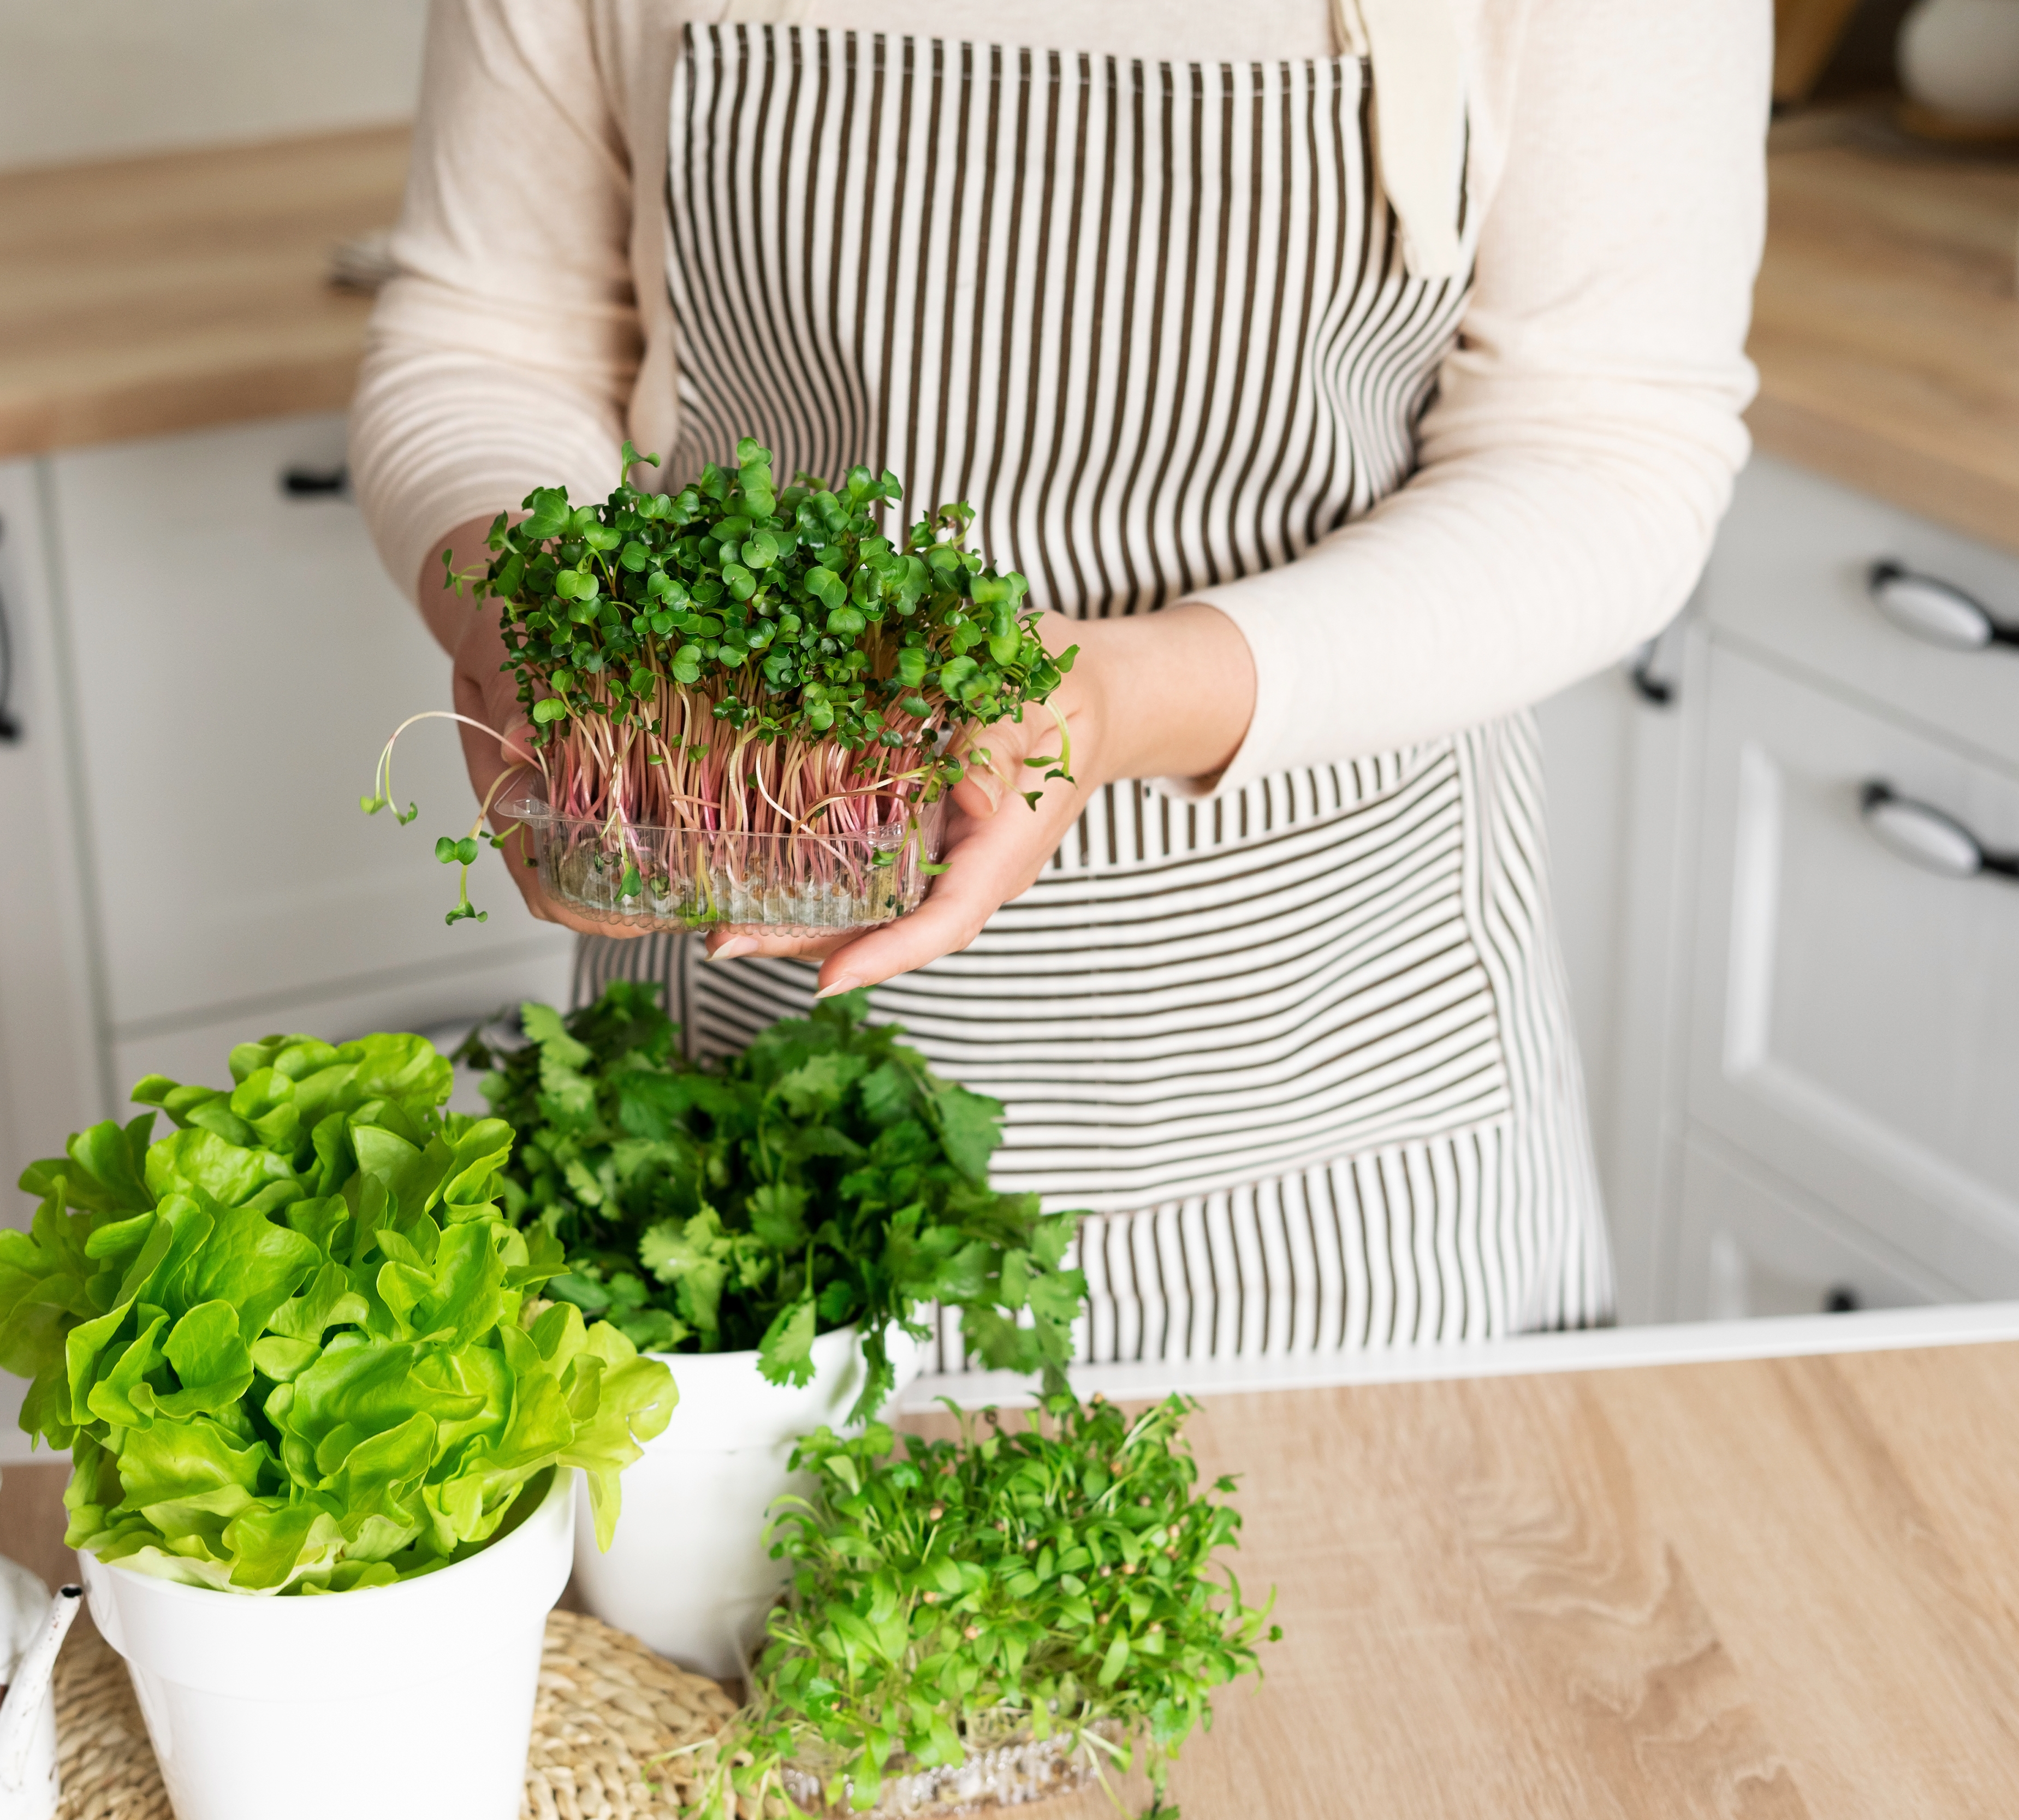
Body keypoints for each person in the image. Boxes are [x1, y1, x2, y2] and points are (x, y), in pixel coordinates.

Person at [348, 0, 1766, 1363]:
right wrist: (525, 609)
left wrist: (1112, 697)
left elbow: (1605, 441)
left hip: (1343, 1099)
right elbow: (494, 335)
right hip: (731, 1085)